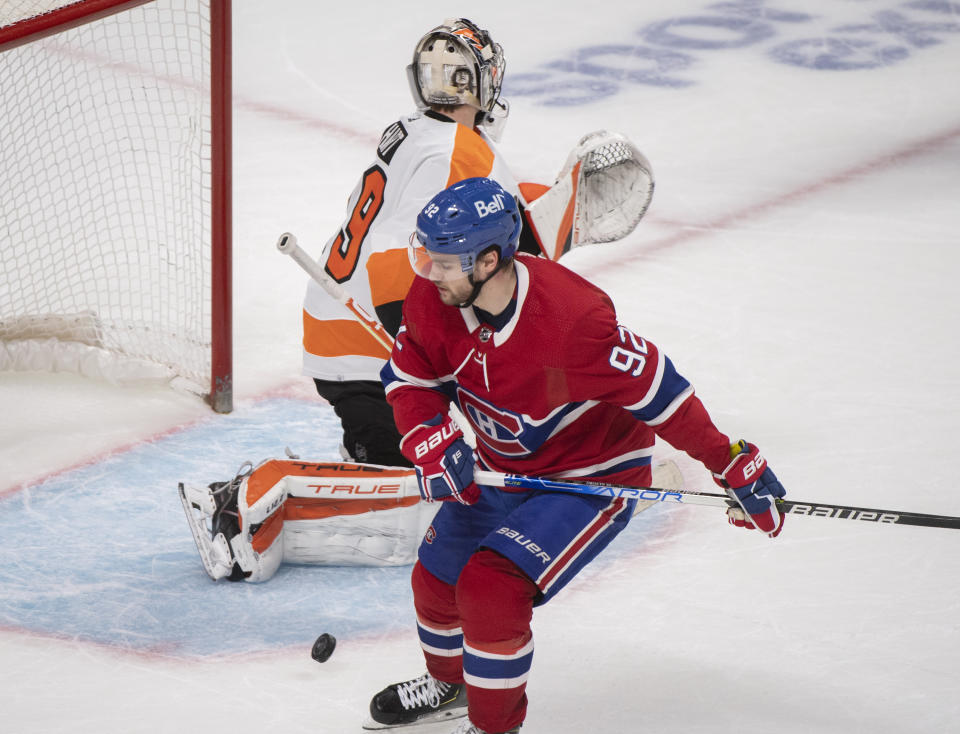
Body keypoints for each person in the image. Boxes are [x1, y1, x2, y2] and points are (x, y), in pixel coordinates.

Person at [365, 177, 787, 734]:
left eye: (445, 262)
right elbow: (410, 379)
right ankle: (451, 686)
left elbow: (663, 394)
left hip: (589, 479)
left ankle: (495, 728)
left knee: (491, 589)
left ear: (489, 261)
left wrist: (728, 460)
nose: (428, 273)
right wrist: (430, 438)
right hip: (501, 469)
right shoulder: (433, 297)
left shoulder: (574, 322)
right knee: (435, 579)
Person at [301, 18, 550, 467]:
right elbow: (393, 250)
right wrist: (409, 351)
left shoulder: (414, 127)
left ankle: (368, 458)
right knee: (411, 479)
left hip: (337, 317)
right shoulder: (455, 152)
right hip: (365, 344)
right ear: (481, 81)